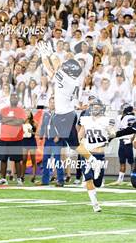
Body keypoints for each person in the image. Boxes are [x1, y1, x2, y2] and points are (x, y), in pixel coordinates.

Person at [38, 41, 103, 179]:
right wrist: (46, 55)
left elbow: (53, 65)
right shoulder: (73, 79)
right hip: (67, 113)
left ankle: (93, 161)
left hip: (63, 115)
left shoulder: (66, 79)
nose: (64, 66)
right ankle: (93, 161)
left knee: (73, 145)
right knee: (74, 145)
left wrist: (47, 53)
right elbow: (52, 69)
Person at [79, 99, 114, 212]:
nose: (95, 108)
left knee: (97, 183)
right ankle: (95, 205)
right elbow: (80, 134)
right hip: (87, 154)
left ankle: (95, 200)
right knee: (88, 178)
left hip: (99, 154)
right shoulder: (86, 120)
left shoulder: (105, 120)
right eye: (94, 106)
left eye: (98, 106)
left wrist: (111, 133)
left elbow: (112, 131)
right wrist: (77, 142)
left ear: (101, 108)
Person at [0, 93, 26, 186]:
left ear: (18, 99)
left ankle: (19, 179)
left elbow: (20, 122)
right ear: (10, 99)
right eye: (12, 97)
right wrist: (13, 119)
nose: (14, 98)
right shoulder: (3, 109)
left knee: (17, 160)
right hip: (4, 138)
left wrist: (7, 120)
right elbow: (1, 120)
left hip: (16, 139)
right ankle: (3, 178)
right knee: (3, 159)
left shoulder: (21, 110)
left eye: (15, 97)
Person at [38, 96, 64, 186]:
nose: (52, 104)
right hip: (48, 140)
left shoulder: (60, 114)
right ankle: (45, 180)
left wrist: (59, 136)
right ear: (48, 103)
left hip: (56, 140)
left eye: (54, 102)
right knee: (45, 160)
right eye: (51, 102)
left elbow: (64, 127)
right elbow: (43, 126)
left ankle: (60, 180)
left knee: (57, 160)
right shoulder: (46, 114)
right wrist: (41, 135)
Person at [109, 103, 136, 186]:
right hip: (121, 141)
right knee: (122, 161)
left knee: (131, 162)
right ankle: (120, 179)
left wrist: (132, 139)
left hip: (127, 141)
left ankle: (134, 179)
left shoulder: (130, 117)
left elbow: (134, 130)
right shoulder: (119, 118)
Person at [21, 110, 37, 183]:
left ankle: (33, 176)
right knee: (24, 159)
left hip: (31, 141)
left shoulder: (34, 122)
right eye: (26, 113)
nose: (27, 114)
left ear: (31, 115)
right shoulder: (22, 122)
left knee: (33, 159)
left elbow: (36, 133)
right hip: (24, 141)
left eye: (28, 113)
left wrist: (31, 132)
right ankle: (22, 176)